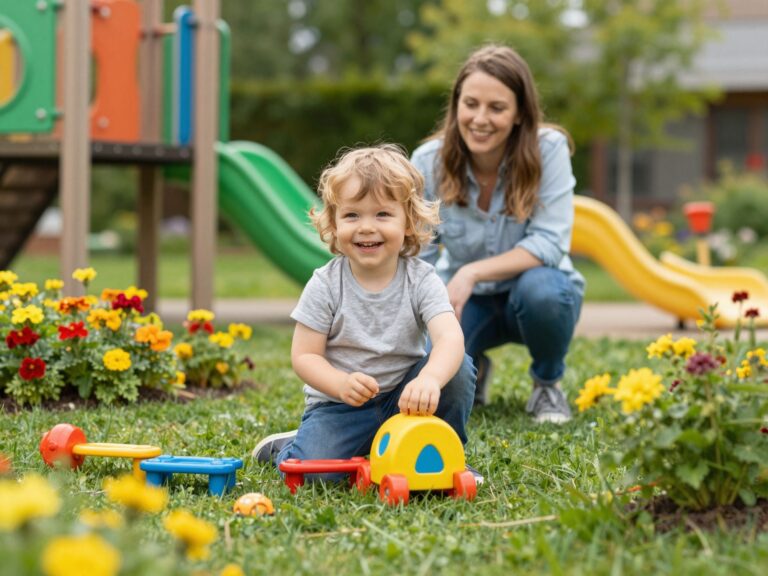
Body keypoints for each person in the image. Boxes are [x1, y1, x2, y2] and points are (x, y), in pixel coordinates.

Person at [252, 145, 477, 476]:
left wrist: (429, 378)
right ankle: (287, 448)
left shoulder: (421, 278)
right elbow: (305, 356)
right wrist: (340, 384)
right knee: (315, 474)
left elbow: (449, 337)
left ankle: (444, 451)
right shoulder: (325, 284)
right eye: (352, 215)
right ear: (334, 222)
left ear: (409, 223)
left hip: (408, 401)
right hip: (341, 407)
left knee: (457, 370)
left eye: (383, 214)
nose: (366, 227)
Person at [411, 44, 585, 423]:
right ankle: (476, 367)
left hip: (536, 294)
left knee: (543, 291)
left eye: (497, 108)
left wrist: (471, 271)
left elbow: (550, 243)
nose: (480, 119)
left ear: (520, 112)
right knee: (434, 382)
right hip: (466, 302)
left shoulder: (548, 149)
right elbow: (417, 254)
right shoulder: (428, 161)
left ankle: (547, 386)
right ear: (456, 104)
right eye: (470, 104)